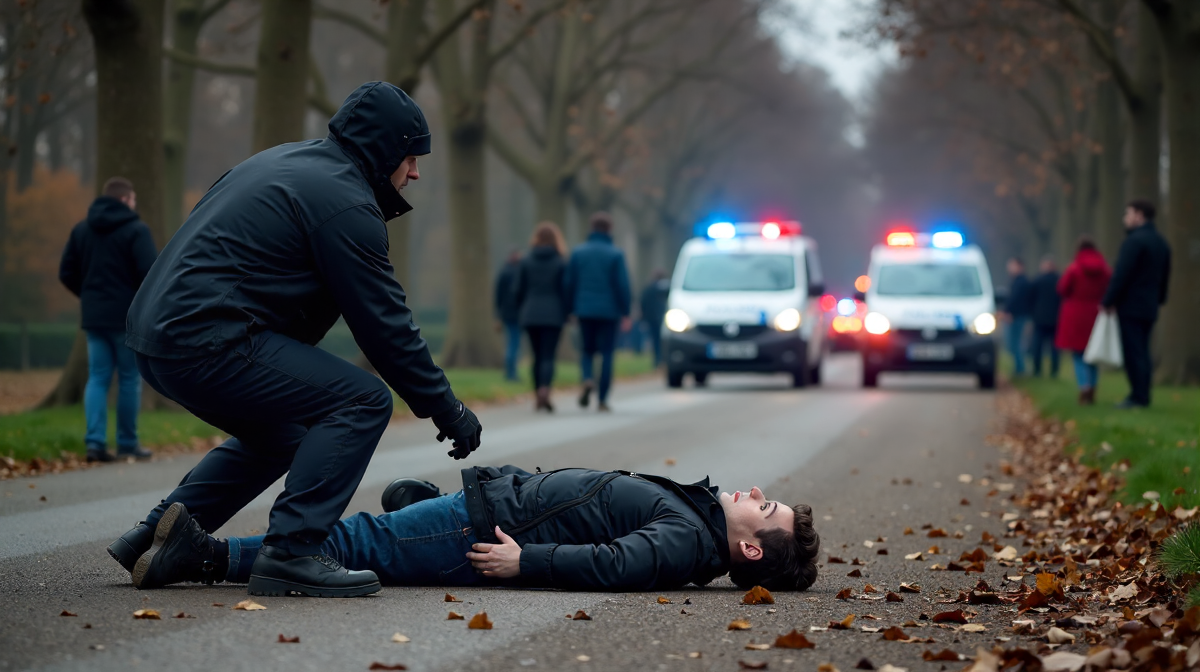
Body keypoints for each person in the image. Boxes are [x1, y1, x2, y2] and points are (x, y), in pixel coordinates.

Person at [107, 82, 483, 599]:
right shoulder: (346, 203)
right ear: (382, 149)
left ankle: (153, 538)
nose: (415, 171)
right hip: (206, 338)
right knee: (363, 399)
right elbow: (385, 326)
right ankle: (292, 552)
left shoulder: (281, 162)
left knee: (282, 434)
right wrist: (447, 409)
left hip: (155, 336)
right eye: (410, 156)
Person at [128, 464, 821, 595]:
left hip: (485, 528)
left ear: (751, 547)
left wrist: (529, 562)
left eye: (765, 509)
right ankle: (418, 506)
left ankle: (203, 557)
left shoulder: (686, 542)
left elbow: (618, 564)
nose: (758, 495)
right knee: (393, 527)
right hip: (498, 503)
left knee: (350, 543)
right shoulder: (698, 522)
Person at [58, 177, 158, 463]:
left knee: (98, 378)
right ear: (126, 200)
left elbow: (66, 272)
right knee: (128, 379)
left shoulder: (81, 230)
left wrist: (89, 296)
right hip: (125, 319)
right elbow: (151, 274)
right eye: (133, 200)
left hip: (94, 318)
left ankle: (94, 444)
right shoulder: (136, 231)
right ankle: (127, 443)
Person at [1101, 200, 1171, 409]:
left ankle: (1138, 396)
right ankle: (1143, 393)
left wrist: (1108, 300)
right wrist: (1159, 299)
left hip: (1130, 306)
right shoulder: (1161, 243)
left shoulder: (1134, 242)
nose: (1125, 218)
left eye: (1128, 214)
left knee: (1133, 352)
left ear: (1139, 216)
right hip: (1150, 306)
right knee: (1143, 350)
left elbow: (1121, 274)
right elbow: (1165, 276)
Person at [565, 212, 632, 412]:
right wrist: (626, 312)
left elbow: (569, 283)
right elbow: (623, 285)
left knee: (586, 351)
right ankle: (602, 399)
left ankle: (587, 379)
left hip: (584, 310)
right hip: (609, 312)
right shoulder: (616, 254)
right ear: (609, 229)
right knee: (607, 354)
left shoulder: (578, 253)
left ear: (591, 228)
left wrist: (570, 309)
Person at [512, 222, 569, 412]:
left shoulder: (526, 261)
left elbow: (518, 290)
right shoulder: (560, 262)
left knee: (536, 356)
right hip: (553, 314)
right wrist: (567, 312)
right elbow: (565, 291)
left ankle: (537, 393)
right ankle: (546, 389)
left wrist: (522, 309)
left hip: (531, 314)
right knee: (548, 356)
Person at [1055, 238, 1111, 405]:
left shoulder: (1074, 269)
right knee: (1093, 354)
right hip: (1096, 314)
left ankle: (1083, 386)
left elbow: (1062, 288)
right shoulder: (1105, 270)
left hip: (1075, 315)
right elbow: (1111, 288)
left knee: (1078, 354)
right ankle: (1093, 386)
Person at [1028, 256, 1061, 378]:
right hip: (1055, 318)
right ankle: (1054, 371)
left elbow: (1030, 298)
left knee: (1038, 346)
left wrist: (1032, 313)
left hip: (1039, 319)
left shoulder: (1037, 281)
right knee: (1054, 348)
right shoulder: (1059, 281)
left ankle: (1037, 370)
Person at [494, 250, 523, 382]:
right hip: (517, 314)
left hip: (506, 313)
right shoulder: (519, 272)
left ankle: (509, 372)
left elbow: (498, 296)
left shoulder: (503, 272)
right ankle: (511, 373)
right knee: (514, 344)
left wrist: (498, 315)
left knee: (511, 343)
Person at [1002, 257, 1033, 376]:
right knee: (1014, 343)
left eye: (1012, 265)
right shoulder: (1018, 281)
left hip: (1017, 317)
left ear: (1020, 266)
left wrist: (1008, 312)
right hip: (1016, 316)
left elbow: (1015, 300)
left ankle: (1020, 368)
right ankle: (1019, 368)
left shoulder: (1021, 282)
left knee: (1016, 343)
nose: (1009, 268)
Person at [640, 270, 670, 367]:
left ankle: (657, 361)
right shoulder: (667, 288)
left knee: (655, 340)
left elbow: (643, 303)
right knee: (665, 340)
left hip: (651, 318)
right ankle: (665, 360)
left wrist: (643, 318)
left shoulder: (648, 288)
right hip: (664, 317)